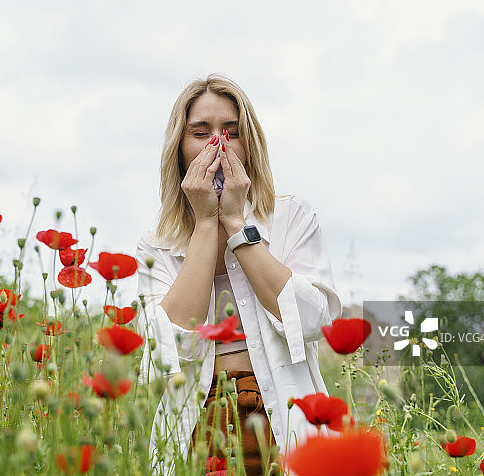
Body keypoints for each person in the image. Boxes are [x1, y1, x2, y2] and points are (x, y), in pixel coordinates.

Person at [135, 75, 342, 476]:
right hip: (198, 424)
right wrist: (205, 224)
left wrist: (234, 222)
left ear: (250, 145)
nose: (218, 144)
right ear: (179, 148)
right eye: (201, 133)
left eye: (232, 131)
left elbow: (314, 322)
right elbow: (167, 354)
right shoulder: (156, 244)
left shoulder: (291, 217)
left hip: (283, 417)